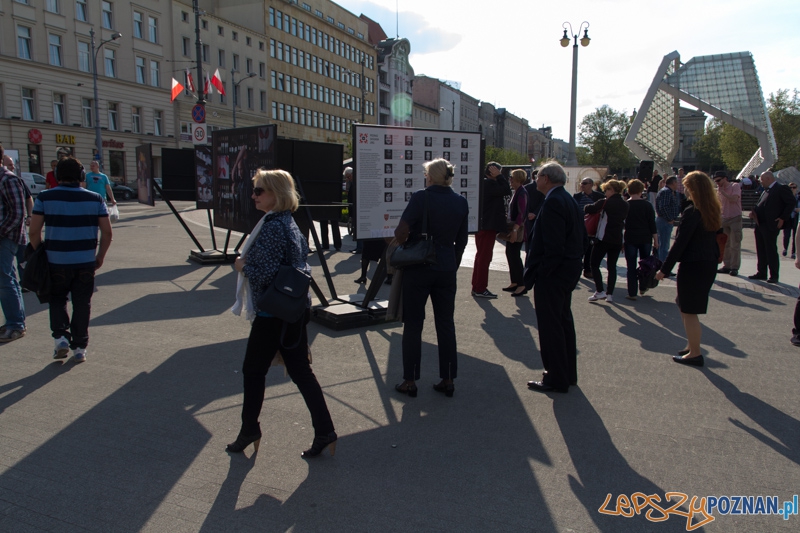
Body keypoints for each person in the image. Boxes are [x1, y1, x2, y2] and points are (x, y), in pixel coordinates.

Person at [229, 169, 336, 458]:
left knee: (253, 371)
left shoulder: (274, 226)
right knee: (301, 371)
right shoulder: (288, 223)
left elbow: (263, 272)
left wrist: (241, 266)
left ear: (276, 194)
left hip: (274, 314)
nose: (253, 195)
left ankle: (250, 429)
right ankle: (325, 431)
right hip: (293, 310)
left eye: (259, 190)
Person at [393, 159, 469, 398]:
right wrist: (452, 263)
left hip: (419, 267)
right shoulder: (460, 201)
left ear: (430, 176)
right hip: (446, 267)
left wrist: (403, 244)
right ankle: (447, 379)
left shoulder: (420, 197)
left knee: (414, 323)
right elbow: (463, 240)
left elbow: (401, 232)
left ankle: (410, 381)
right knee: (445, 323)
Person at [29, 156, 112, 360]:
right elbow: (107, 233)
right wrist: (100, 256)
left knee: (57, 299)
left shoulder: (45, 197)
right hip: (85, 262)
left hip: (55, 261)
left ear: (57, 175)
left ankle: (60, 338)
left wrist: (41, 251)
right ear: (82, 175)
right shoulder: (95, 199)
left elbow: (33, 231)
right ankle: (80, 347)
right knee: (82, 303)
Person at [523, 162, 585, 394]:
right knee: (563, 323)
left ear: (546, 178)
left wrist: (542, 273)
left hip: (554, 274)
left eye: (537, 176)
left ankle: (556, 377)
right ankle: (567, 373)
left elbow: (552, 246)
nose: (535, 179)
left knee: (551, 328)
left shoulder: (553, 203)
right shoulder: (567, 199)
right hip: (567, 271)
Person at [655, 172, 721, 366]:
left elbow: (680, 243)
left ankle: (695, 352)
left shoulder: (693, 212)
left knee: (689, 310)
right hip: (707, 262)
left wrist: (664, 269)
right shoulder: (712, 209)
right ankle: (692, 345)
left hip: (693, 265)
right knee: (685, 306)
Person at [584, 179, 629, 303]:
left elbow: (588, 208)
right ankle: (610, 293)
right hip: (617, 239)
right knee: (612, 267)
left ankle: (600, 290)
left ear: (612, 190)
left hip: (603, 238)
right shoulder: (625, 204)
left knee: (594, 263)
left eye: (607, 190)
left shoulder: (605, 203)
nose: (605, 192)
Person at [0, 146, 28, 342]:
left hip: (5, 238)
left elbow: (18, 213)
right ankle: (14, 321)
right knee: (7, 278)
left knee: (5, 280)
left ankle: (16, 324)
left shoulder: (7, 179)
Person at [747, 171, 795, 283]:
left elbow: (791, 202)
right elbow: (762, 204)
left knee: (770, 250)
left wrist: (783, 217)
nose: (760, 182)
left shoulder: (780, 188)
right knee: (761, 248)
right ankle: (761, 272)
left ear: (768, 178)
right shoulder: (766, 190)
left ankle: (774, 275)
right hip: (760, 223)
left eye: (762, 180)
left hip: (771, 224)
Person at [471, 161, 510, 298]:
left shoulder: (484, 183)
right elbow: (506, 190)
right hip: (488, 226)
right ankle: (480, 288)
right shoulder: (490, 183)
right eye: (499, 171)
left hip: (483, 224)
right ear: (493, 171)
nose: (502, 174)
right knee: (484, 257)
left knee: (481, 256)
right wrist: (499, 176)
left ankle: (477, 286)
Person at [622, 179, 657, 300]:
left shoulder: (626, 205)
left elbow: (622, 225)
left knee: (630, 266)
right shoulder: (647, 205)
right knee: (645, 265)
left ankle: (632, 292)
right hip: (645, 237)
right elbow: (652, 224)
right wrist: (656, 240)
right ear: (641, 190)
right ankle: (643, 287)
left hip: (630, 237)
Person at [502, 169, 529, 296]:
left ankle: (522, 284)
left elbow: (521, 213)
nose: (510, 180)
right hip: (515, 227)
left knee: (514, 256)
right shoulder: (517, 192)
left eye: (512, 177)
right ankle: (515, 282)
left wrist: (514, 230)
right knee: (510, 253)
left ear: (517, 178)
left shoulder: (522, 193)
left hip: (518, 229)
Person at [573, 178, 604, 278]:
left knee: (590, 249)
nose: (582, 185)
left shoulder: (598, 196)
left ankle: (587, 269)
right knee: (579, 248)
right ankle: (577, 269)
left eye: (585, 183)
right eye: (581, 183)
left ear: (591, 184)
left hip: (592, 227)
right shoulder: (577, 196)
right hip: (580, 226)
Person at [714, 170, 743, 276]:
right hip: (724, 218)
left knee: (735, 243)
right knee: (725, 243)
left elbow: (734, 199)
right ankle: (727, 265)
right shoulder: (719, 190)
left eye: (719, 180)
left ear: (725, 178)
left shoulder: (735, 186)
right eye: (715, 181)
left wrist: (723, 193)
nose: (717, 183)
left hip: (735, 218)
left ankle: (734, 267)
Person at [655, 176, 681, 263]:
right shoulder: (666, 192)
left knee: (665, 244)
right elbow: (663, 206)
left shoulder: (672, 192)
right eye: (676, 182)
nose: (677, 184)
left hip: (667, 220)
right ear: (673, 183)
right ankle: (663, 265)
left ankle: (662, 264)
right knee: (664, 245)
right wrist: (669, 218)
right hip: (664, 220)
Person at [782, 182, 799, 259]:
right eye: (790, 188)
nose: (792, 189)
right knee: (786, 235)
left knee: (795, 236)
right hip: (788, 218)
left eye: (794, 187)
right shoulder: (785, 197)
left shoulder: (798, 198)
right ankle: (785, 248)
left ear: (797, 188)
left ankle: (793, 252)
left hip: (796, 218)